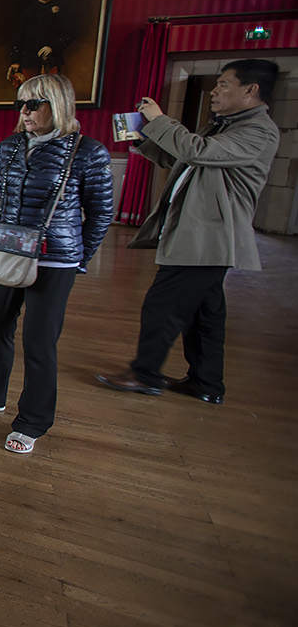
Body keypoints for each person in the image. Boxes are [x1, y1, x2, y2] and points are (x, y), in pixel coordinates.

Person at [95, 59, 280, 404]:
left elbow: (197, 151)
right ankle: (206, 383)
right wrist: (142, 137)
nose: (215, 90)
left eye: (224, 84)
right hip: (206, 237)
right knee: (204, 313)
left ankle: (145, 374)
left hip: (209, 237)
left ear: (251, 90)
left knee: (162, 305)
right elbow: (184, 161)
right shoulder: (228, 125)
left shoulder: (259, 130)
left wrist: (160, 121)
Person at [0, 74, 113, 454]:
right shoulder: (8, 147)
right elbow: (7, 205)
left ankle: (33, 421)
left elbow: (101, 213)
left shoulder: (88, 152)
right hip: (7, 250)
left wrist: (77, 259)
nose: (23, 112)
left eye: (33, 104)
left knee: (39, 342)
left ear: (58, 105)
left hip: (55, 259)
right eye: (19, 104)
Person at [7, 0, 73, 87]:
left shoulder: (62, 11)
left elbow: (69, 33)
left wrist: (53, 47)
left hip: (51, 60)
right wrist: (15, 60)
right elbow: (19, 37)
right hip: (29, 60)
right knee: (30, 92)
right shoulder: (28, 12)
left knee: (51, 91)